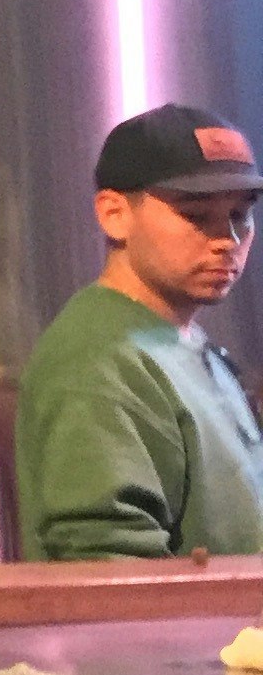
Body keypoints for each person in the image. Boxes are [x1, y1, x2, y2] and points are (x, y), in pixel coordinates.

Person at [17, 104, 263, 560]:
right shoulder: (98, 361)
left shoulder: (182, 344)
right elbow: (108, 568)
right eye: (196, 215)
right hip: (193, 635)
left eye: (240, 214)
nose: (227, 239)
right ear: (114, 214)